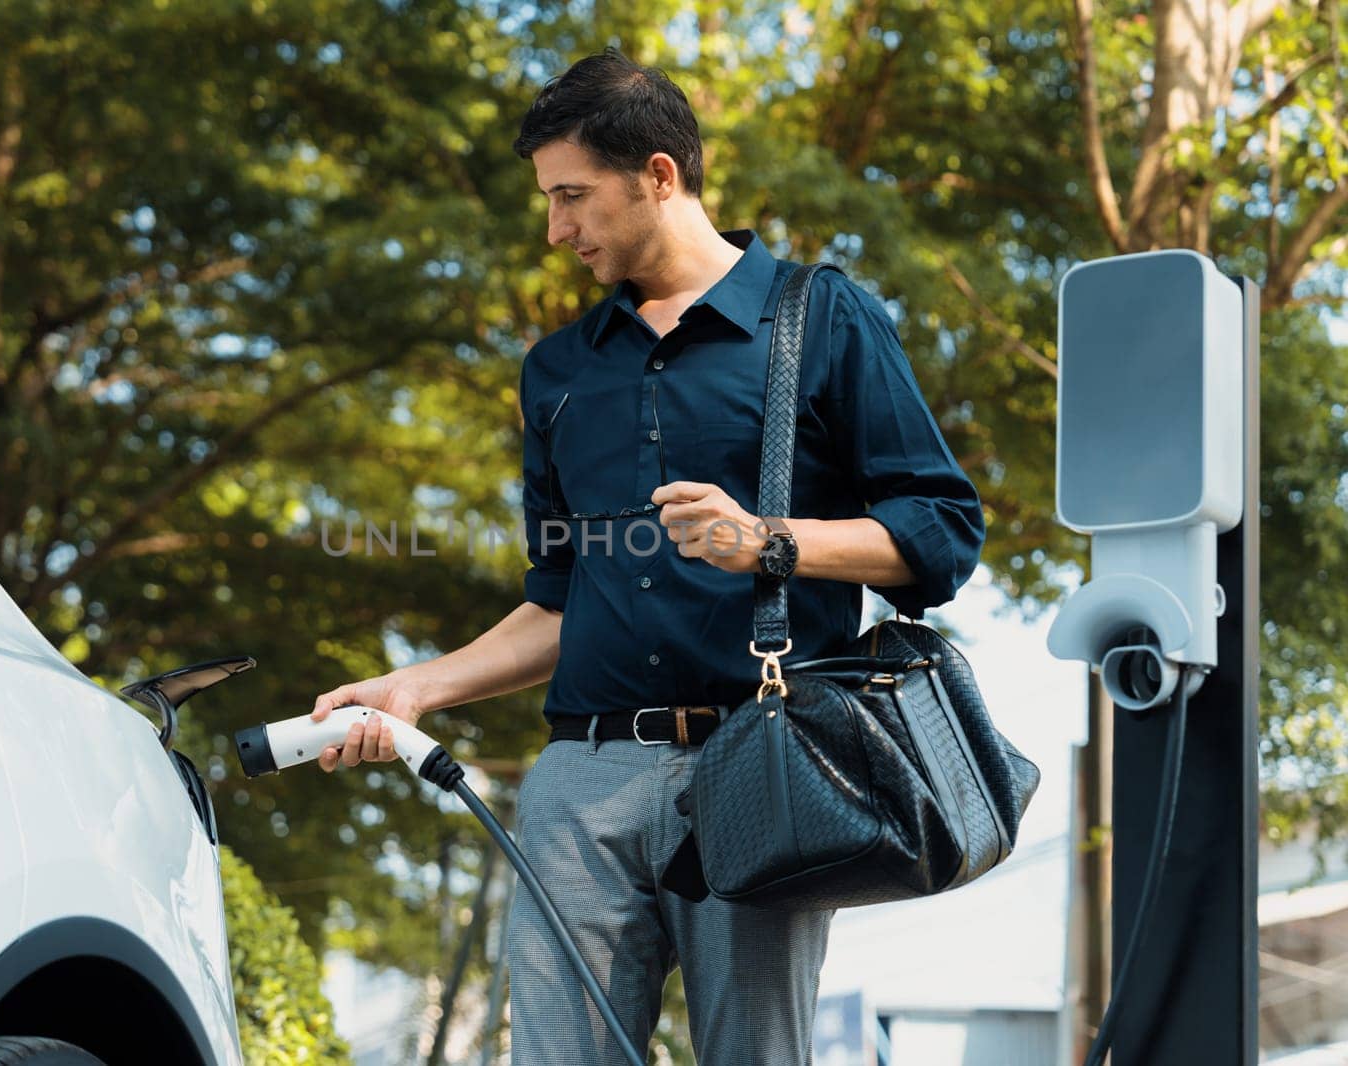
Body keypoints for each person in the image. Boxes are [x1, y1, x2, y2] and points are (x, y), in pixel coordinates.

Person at [309, 47, 984, 1065]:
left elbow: (939, 532)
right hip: (581, 775)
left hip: (763, 764)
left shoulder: (820, 317)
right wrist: (415, 688)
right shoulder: (557, 372)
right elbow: (556, 599)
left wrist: (769, 541)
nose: (556, 229)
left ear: (658, 175)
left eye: (572, 197)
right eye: (548, 200)